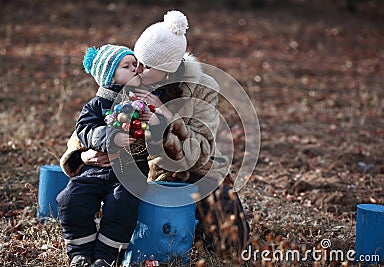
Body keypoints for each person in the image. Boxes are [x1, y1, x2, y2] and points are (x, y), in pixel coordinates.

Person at [60, 10, 250, 262]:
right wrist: (85, 154)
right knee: (95, 197)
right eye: (137, 61)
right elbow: (87, 125)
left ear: (167, 71)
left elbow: (201, 150)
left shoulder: (201, 89)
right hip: (137, 173)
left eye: (146, 66)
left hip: (191, 174)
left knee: (229, 235)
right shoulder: (129, 78)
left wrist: (167, 123)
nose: (138, 70)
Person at [57, 44, 160, 267]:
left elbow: (158, 132)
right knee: (69, 199)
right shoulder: (96, 105)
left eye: (136, 64)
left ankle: (106, 256)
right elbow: (84, 129)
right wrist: (110, 137)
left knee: (122, 204)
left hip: (129, 172)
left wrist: (151, 118)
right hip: (96, 170)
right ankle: (80, 253)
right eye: (127, 66)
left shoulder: (142, 100)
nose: (136, 69)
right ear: (110, 75)